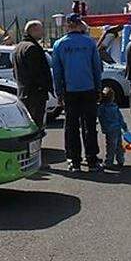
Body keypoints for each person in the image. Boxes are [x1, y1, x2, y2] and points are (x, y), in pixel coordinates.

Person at [51, 13, 104, 171]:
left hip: (70, 90)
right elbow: (97, 68)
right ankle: (92, 159)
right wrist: (98, 88)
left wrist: (59, 92)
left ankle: (74, 161)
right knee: (89, 125)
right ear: (79, 24)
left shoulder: (59, 45)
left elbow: (57, 71)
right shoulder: (89, 43)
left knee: (71, 126)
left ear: (67, 25)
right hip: (88, 88)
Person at [12, 20, 53, 128]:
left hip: (23, 92)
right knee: (36, 125)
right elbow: (37, 72)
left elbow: (15, 72)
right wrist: (44, 86)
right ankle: (34, 144)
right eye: (40, 30)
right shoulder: (32, 48)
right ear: (33, 30)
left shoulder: (18, 47)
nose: (42, 32)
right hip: (35, 94)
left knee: (27, 124)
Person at [97, 86, 127, 169]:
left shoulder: (102, 108)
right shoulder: (114, 106)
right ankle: (120, 160)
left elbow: (97, 114)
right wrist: (124, 126)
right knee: (119, 145)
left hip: (109, 129)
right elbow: (120, 117)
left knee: (110, 146)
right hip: (117, 128)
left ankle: (109, 162)